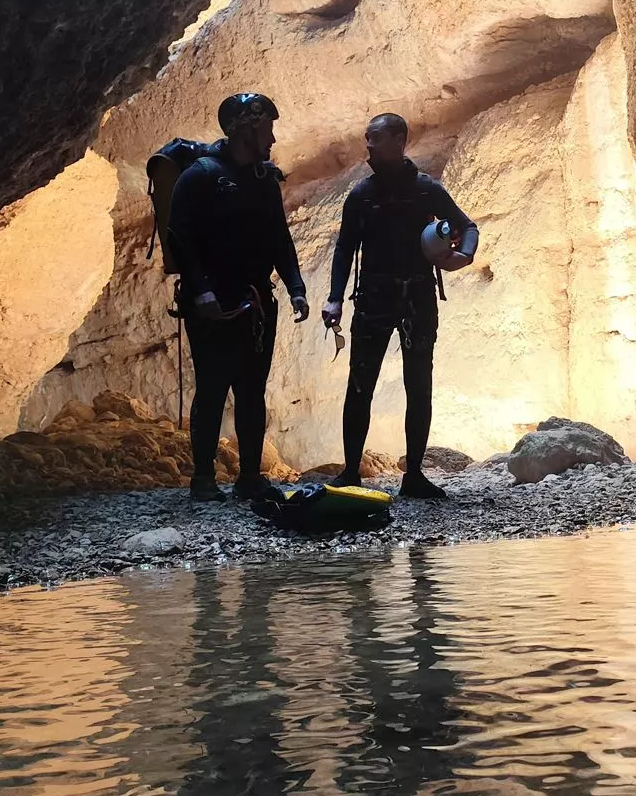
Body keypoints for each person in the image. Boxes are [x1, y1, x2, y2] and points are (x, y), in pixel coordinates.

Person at [322, 113, 478, 499]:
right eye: (367, 138)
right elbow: (344, 249)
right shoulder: (361, 195)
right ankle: (351, 471)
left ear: (398, 140)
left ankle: (414, 476)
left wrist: (466, 255)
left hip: (417, 298)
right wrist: (334, 297)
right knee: (361, 385)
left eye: (374, 137)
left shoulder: (426, 190)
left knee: (418, 385)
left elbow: (467, 226)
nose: (368, 145)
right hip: (374, 298)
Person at [168, 92, 309, 504]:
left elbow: (280, 239)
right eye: (267, 128)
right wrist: (202, 290)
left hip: (255, 301)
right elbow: (181, 236)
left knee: (251, 389)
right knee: (212, 387)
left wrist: (296, 287)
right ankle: (203, 479)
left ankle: (249, 477)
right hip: (212, 302)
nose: (273, 138)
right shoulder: (201, 175)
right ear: (247, 128)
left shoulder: (264, 182)